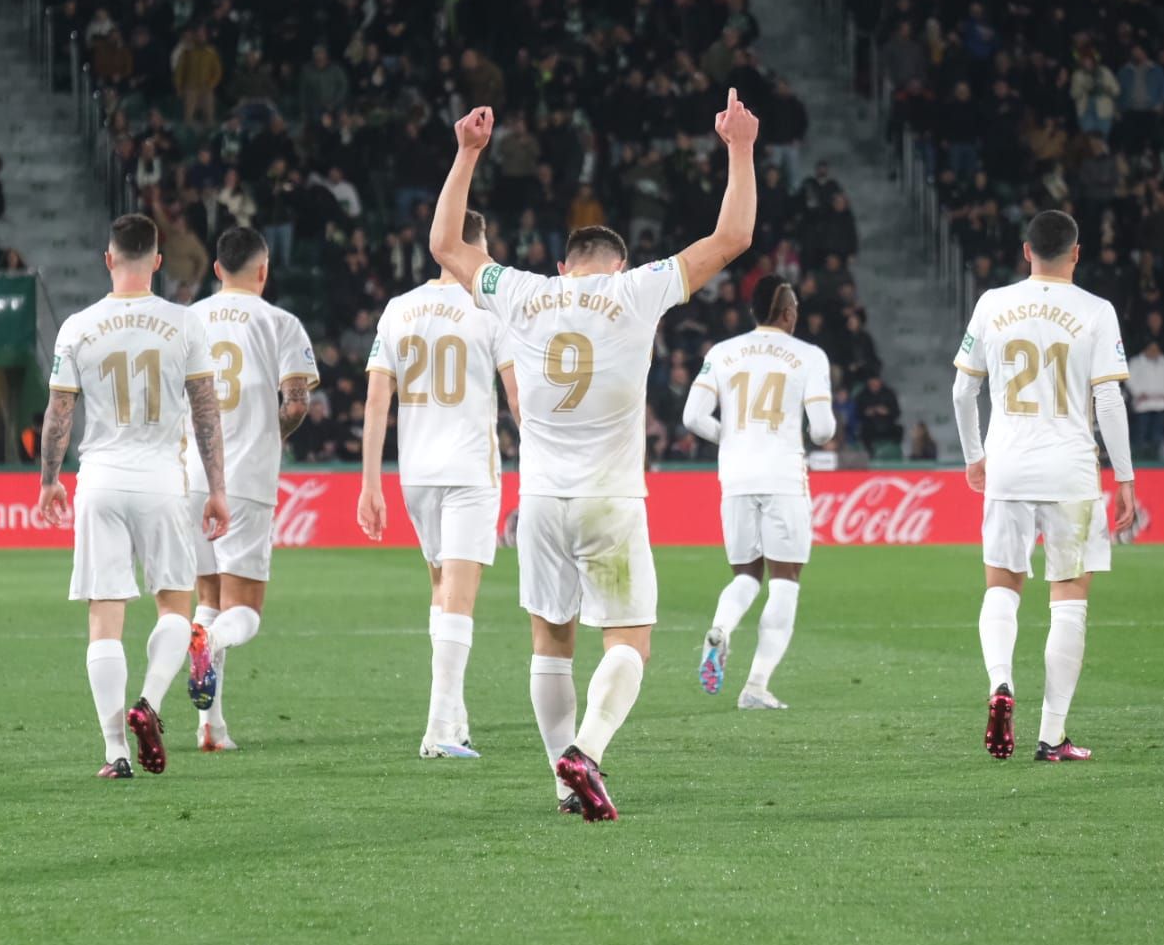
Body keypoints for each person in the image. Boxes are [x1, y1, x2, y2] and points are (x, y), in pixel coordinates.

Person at [427, 90, 757, 821]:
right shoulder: (638, 293)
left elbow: (447, 246)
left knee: (551, 642)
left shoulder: (521, 292)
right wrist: (739, 147)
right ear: (620, 264)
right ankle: (590, 750)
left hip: (540, 501)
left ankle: (558, 777)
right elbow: (731, 237)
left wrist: (468, 152)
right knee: (630, 639)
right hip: (611, 500)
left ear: (564, 264)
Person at [37, 214, 231, 779]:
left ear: (108, 260)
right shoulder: (184, 323)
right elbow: (205, 411)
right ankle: (147, 703)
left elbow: (59, 413)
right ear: (158, 262)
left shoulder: (78, 326)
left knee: (105, 618)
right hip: (162, 483)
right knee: (174, 604)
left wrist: (49, 479)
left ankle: (115, 752)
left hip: (99, 480)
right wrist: (216, 489)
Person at [951, 210, 1136, 763]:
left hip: (1007, 466)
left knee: (1002, 588)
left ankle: (1001, 682)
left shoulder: (992, 303)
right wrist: (1124, 477)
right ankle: (1052, 735)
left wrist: (974, 458)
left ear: (1026, 250)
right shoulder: (1097, 312)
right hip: (1071, 473)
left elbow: (962, 394)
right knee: (1069, 602)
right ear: (1076, 253)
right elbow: (1108, 400)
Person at [357, 210, 520, 758]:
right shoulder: (491, 306)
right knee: (461, 601)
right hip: (470, 469)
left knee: (440, 592)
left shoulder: (398, 309)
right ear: (476, 247)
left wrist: (369, 483)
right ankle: (435, 729)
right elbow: (517, 399)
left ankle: (456, 719)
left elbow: (378, 399)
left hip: (416, 473)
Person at [183, 227, 319, 752]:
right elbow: (298, 401)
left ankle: (210, 727)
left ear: (216, 270)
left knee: (208, 595)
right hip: (246, 479)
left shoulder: (188, 319)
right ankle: (211, 642)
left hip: (192, 476)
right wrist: (270, 432)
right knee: (246, 611)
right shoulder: (280, 322)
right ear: (263, 270)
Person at [682, 275, 835, 710]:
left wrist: (730, 437)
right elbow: (822, 430)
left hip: (735, 476)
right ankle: (756, 686)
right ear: (788, 314)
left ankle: (721, 629)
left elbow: (693, 417)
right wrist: (814, 431)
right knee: (784, 583)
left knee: (745, 576)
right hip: (783, 477)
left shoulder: (722, 352)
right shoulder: (808, 355)